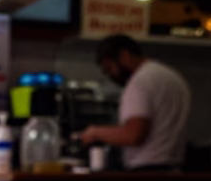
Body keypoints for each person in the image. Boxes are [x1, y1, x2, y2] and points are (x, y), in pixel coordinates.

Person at [79, 35, 191, 171]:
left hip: (147, 171)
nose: (111, 76)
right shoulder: (172, 77)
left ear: (125, 56)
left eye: (109, 68)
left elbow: (134, 134)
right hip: (176, 168)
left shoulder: (139, 82)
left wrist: (95, 132)